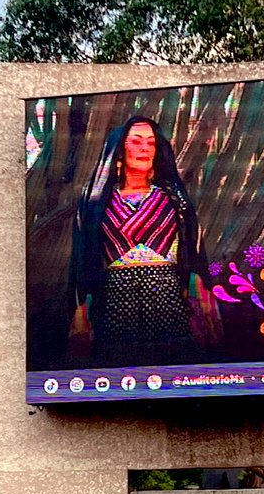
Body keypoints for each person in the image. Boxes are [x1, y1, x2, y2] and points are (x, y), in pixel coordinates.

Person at [69, 116, 220, 364]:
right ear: (120, 149)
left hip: (168, 303)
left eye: (151, 143)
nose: (144, 149)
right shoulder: (95, 204)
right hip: (115, 306)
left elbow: (193, 253)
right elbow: (83, 258)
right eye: (136, 142)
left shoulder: (175, 200)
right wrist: (81, 310)